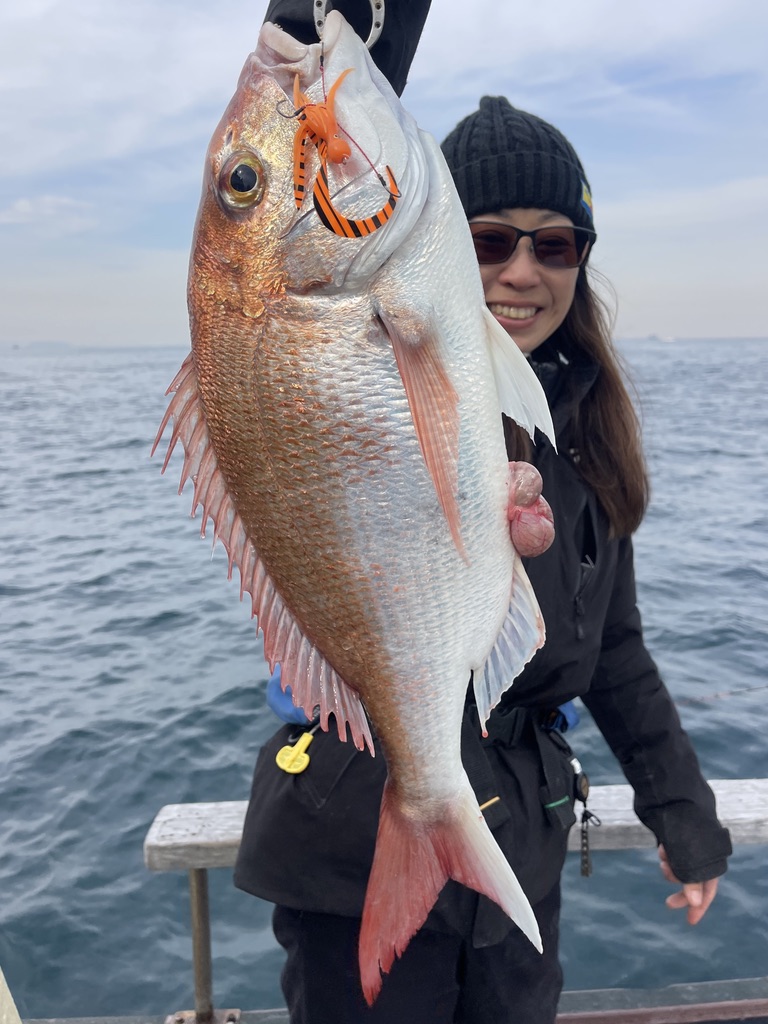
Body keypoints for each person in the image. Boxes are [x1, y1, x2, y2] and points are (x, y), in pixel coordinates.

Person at [234, 3, 732, 1022]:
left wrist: (684, 816)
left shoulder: (587, 428)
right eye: (490, 239)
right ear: (436, 242)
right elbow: (315, 166)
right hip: (353, 835)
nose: (522, 270)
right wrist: (324, 36)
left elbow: (615, 646)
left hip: (519, 844)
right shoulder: (385, 354)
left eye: (557, 245)